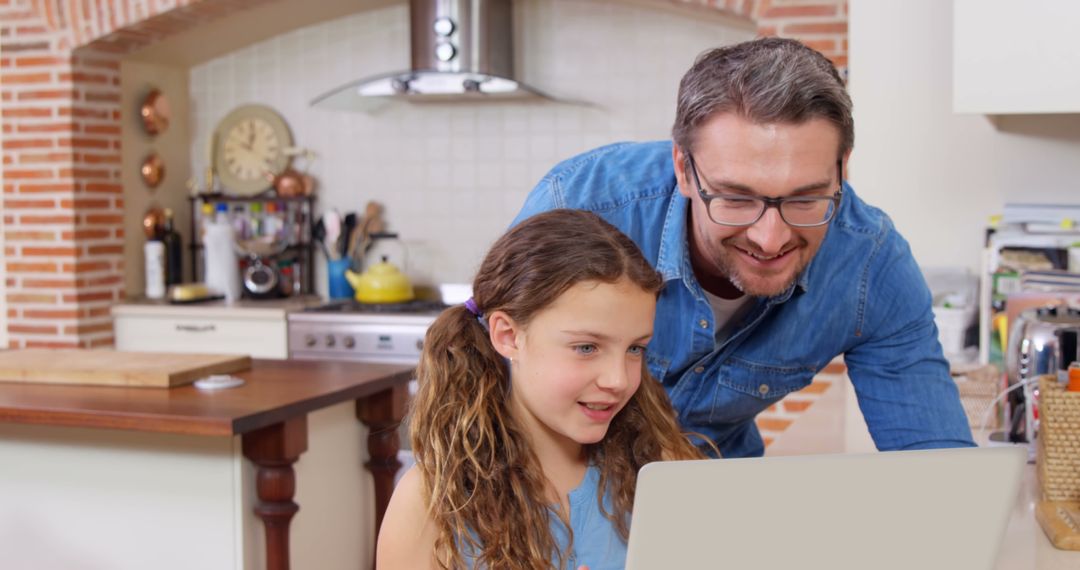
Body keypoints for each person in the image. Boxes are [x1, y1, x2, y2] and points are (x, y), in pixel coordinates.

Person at [512, 37, 976, 459]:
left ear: (842, 170)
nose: (770, 238)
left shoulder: (870, 263)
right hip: (553, 492)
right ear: (684, 168)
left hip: (716, 491)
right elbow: (477, 399)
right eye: (735, 198)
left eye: (805, 198)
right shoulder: (578, 205)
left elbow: (936, 465)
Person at [376, 209, 704, 570]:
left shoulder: (662, 469)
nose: (618, 380)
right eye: (586, 348)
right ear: (508, 336)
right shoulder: (428, 503)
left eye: (634, 349)